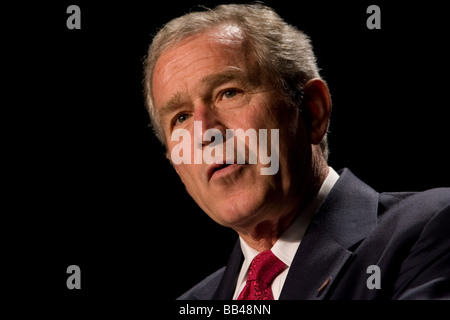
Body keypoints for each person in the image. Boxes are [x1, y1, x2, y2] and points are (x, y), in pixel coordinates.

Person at [143, 3, 450, 299]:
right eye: (181, 117)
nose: (204, 133)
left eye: (229, 93)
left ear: (312, 110)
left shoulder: (428, 229)